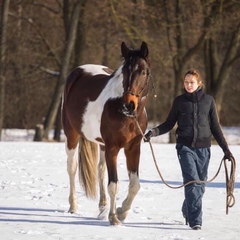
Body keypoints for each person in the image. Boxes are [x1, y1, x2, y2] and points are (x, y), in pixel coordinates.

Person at [144, 69, 234, 230]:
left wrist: (226, 149)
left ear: (199, 83)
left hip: (204, 149)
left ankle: (187, 208)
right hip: (184, 147)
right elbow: (169, 123)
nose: (188, 85)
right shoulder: (179, 101)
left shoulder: (209, 101)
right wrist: (153, 132)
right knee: (192, 182)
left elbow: (215, 127)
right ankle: (195, 220)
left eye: (191, 82)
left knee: (200, 185)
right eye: (186, 82)